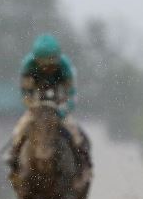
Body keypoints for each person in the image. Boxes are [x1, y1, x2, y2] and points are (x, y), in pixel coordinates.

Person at [7, 34, 91, 174]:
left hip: (59, 102)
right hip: (37, 103)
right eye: (44, 64)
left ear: (57, 59)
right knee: (19, 129)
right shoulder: (28, 66)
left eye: (51, 65)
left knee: (74, 132)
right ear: (37, 60)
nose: (48, 69)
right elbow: (25, 93)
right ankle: (13, 156)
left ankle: (82, 160)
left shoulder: (65, 67)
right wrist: (32, 107)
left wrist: (63, 111)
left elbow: (72, 95)